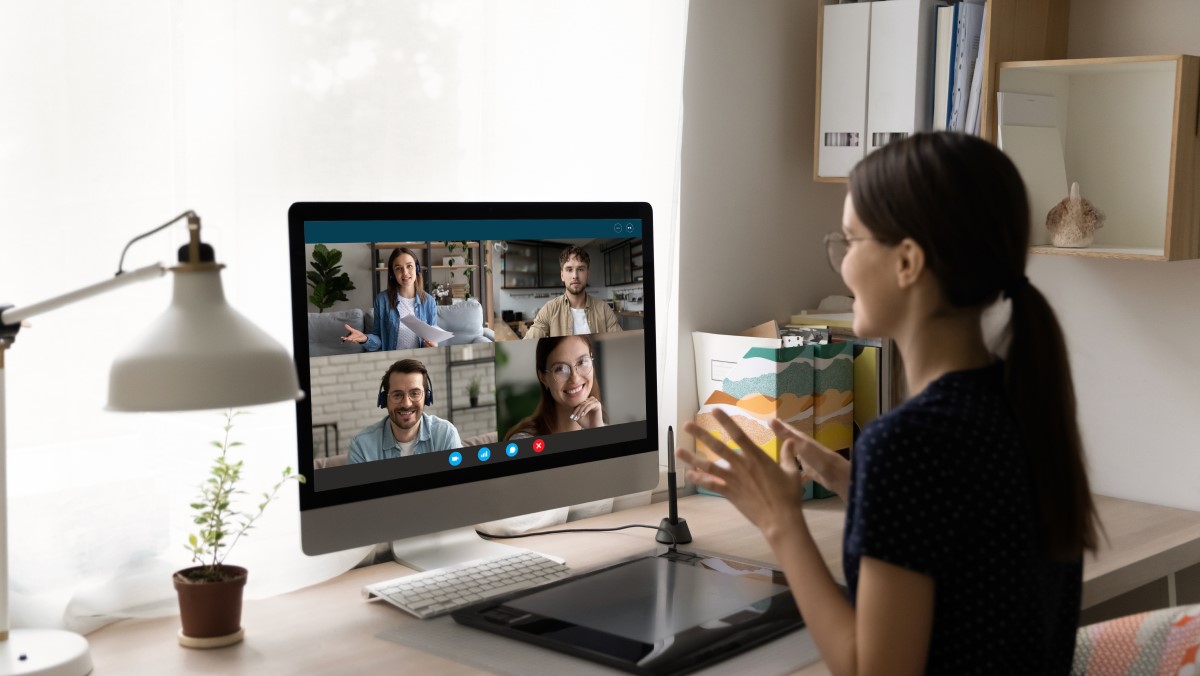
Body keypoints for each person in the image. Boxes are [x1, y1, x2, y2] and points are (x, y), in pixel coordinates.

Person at [678, 133, 1100, 674]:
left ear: (907, 262)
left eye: (851, 242)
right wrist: (855, 482)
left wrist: (779, 520)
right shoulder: (1017, 401)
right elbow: (967, 540)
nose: (844, 265)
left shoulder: (908, 442)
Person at [349, 359, 461, 463]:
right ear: (384, 400)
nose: (406, 404)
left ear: (427, 397)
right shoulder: (361, 446)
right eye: (397, 395)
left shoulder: (446, 434)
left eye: (415, 393)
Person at [503, 335, 605, 441]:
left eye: (582, 362)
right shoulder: (523, 440)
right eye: (560, 369)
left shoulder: (601, 427)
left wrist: (597, 433)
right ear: (543, 378)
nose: (574, 378)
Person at [342, 247, 438, 350]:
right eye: (398, 268)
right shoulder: (382, 300)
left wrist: (432, 345)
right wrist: (365, 339)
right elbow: (378, 340)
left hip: (418, 360)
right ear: (392, 273)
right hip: (393, 360)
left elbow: (433, 338)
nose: (405, 272)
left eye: (409, 266)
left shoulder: (429, 302)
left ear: (417, 268)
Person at [523, 246, 621, 339]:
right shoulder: (549, 310)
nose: (575, 276)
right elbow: (527, 344)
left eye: (581, 269)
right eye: (569, 269)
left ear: (587, 274)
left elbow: (620, 344)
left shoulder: (604, 309)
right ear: (562, 275)